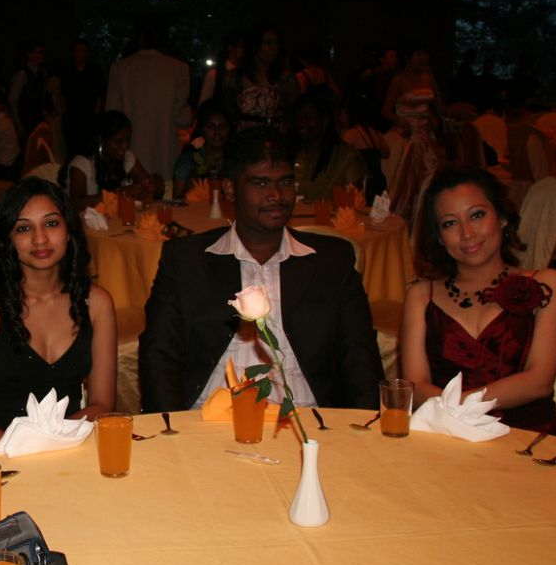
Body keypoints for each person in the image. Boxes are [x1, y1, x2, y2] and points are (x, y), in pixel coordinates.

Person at [140, 129, 383, 413]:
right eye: (260, 183)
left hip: (305, 420)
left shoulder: (331, 261)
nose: (276, 195)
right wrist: (171, 428)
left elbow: (360, 359)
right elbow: (159, 357)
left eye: (285, 182)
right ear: (230, 189)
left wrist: (362, 427)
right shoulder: (187, 260)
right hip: (207, 419)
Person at [0, 177, 117, 452]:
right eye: (23, 228)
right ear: (8, 239)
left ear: (69, 230)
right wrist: (24, 449)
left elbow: (102, 405)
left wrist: (53, 445)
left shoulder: (96, 303)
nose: (39, 238)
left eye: (51, 223)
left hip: (65, 450)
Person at [401, 167, 556, 434]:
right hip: (447, 436)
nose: (467, 233)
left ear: (502, 217)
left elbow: (539, 382)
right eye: (450, 223)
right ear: (439, 238)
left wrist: (457, 406)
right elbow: (415, 387)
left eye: (477, 215)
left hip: (524, 438)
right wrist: (457, 417)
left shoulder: (547, 284)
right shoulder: (421, 295)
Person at [105, 14, 192, 183]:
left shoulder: (120, 68)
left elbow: (111, 116)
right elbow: (182, 118)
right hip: (166, 147)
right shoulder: (179, 69)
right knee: (165, 187)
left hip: (131, 149)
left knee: (133, 191)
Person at [382, 45, 446, 220]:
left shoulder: (428, 78)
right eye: (419, 53)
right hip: (407, 133)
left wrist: (435, 117)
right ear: (408, 57)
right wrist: (402, 122)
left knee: (431, 173)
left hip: (427, 134)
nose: (424, 57)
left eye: (425, 53)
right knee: (408, 179)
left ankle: (426, 218)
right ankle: (406, 218)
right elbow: (385, 111)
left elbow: (437, 105)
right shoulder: (399, 80)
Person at [63, 110, 159, 210]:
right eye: (119, 141)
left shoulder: (127, 157)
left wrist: (155, 185)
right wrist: (119, 193)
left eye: (127, 141)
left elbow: (148, 187)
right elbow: (76, 204)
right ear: (101, 139)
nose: (125, 146)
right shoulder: (82, 164)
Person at [288, 90, 367, 202]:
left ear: (324, 120)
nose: (301, 122)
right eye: (298, 118)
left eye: (308, 117)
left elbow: (357, 201)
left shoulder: (347, 157)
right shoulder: (290, 153)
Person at [224, 27, 294, 132]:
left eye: (276, 43)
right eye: (267, 42)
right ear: (255, 45)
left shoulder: (285, 79)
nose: (274, 47)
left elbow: (293, 114)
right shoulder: (234, 77)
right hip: (244, 138)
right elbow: (227, 112)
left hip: (275, 137)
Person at [172, 99, 230, 199]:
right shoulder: (188, 159)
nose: (217, 132)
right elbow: (177, 202)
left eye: (222, 126)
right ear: (202, 130)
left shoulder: (236, 157)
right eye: (211, 127)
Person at [58, 37, 105, 160]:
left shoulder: (95, 72)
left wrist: (95, 116)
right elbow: (63, 96)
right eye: (76, 51)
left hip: (89, 118)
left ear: (87, 53)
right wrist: (63, 113)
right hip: (71, 118)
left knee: (89, 151)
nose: (79, 54)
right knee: (72, 151)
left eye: (82, 51)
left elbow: (99, 96)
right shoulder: (66, 72)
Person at [198, 29, 245, 104]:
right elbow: (204, 103)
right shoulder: (214, 74)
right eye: (242, 46)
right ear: (231, 47)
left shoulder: (247, 73)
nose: (245, 50)